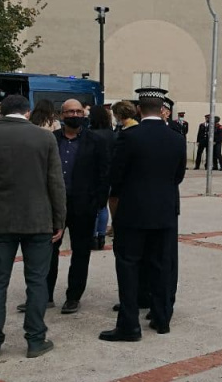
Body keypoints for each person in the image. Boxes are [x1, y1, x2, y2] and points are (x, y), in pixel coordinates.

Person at [0, 94, 66, 360]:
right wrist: (60, 220)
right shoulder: (45, 137)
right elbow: (55, 183)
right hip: (38, 219)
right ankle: (35, 340)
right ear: (27, 112)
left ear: (2, 111)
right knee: (36, 281)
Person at [101, 87, 187, 341]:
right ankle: (162, 320)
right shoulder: (176, 138)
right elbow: (178, 176)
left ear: (139, 109)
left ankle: (129, 326)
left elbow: (115, 176)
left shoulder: (130, 136)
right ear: (162, 110)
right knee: (162, 266)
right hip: (165, 212)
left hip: (133, 212)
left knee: (128, 266)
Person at [26, 99, 109, 316]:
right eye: (70, 111)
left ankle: (73, 297)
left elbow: (104, 173)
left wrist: (98, 202)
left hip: (83, 206)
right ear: (61, 115)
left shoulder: (95, 141)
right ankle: (44, 295)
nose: (75, 114)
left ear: (84, 114)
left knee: (80, 253)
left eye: (78, 111)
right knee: (46, 253)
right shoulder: (50, 140)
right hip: (52, 207)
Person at [88, 104, 116, 250]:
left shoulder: (90, 134)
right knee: (103, 206)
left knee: (93, 206)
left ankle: (92, 237)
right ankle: (101, 236)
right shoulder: (112, 134)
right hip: (110, 174)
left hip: (94, 174)